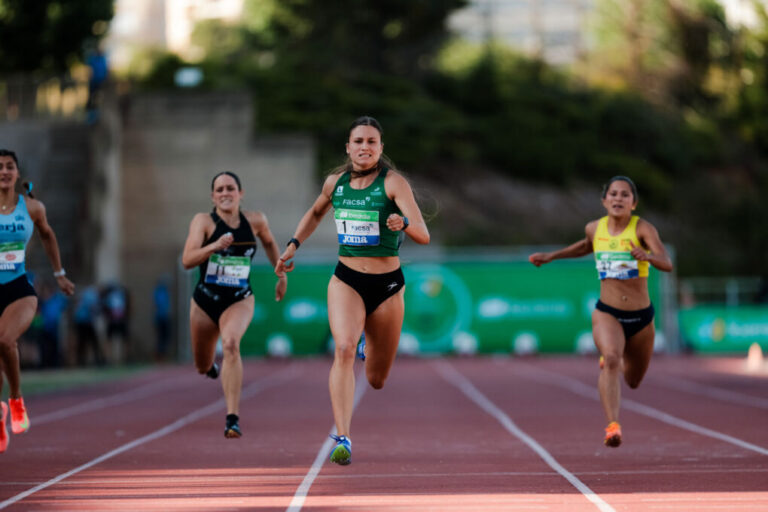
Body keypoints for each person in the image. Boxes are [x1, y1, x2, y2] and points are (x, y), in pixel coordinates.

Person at [275, 116, 430, 465]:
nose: (364, 147)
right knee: (342, 348)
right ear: (348, 147)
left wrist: (402, 222)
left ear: (380, 148)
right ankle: (342, 436)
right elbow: (315, 213)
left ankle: (367, 341)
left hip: (387, 287)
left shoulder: (393, 184)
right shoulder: (336, 184)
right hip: (346, 279)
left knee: (376, 378)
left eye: (371, 142)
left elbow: (423, 233)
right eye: (358, 141)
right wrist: (293, 245)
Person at [529, 176, 672, 448]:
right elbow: (585, 246)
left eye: (625, 195)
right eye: (613, 194)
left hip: (641, 318)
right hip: (608, 312)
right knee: (611, 357)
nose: (618, 199)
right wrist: (552, 256)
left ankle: (613, 362)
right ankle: (613, 427)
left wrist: (648, 256)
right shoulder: (595, 228)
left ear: (634, 202)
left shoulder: (642, 229)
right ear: (604, 200)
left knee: (632, 380)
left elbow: (666, 262)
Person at [182, 171, 287, 438]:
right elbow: (187, 260)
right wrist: (214, 246)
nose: (225, 193)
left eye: (230, 188)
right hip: (205, 301)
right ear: (213, 196)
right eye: (219, 190)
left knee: (230, 344)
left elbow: (270, 243)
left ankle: (232, 418)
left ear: (240, 193)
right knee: (201, 365)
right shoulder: (203, 222)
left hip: (239, 298)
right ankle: (210, 368)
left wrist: (281, 274)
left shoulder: (255, 220)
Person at [0, 149, 75, 454]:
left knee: (5, 342)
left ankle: (16, 400)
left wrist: (59, 274)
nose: (3, 171)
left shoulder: (31, 208)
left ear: (17, 174)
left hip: (19, 287)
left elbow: (48, 236)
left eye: (9, 167)